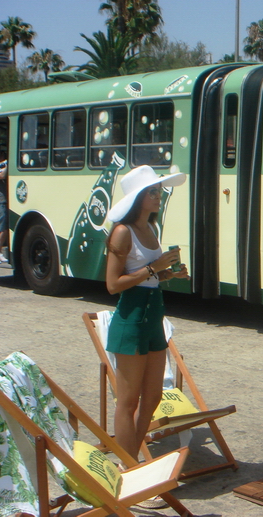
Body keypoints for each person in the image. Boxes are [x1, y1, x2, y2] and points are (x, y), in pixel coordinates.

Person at [104, 165, 188, 471]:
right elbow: (113, 285)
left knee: (152, 398)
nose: (159, 197)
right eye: (153, 192)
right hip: (131, 317)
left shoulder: (150, 228)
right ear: (139, 197)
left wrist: (170, 273)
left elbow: (149, 277)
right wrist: (154, 269)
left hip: (153, 314)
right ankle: (130, 468)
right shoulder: (123, 232)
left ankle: (132, 461)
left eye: (160, 191)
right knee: (127, 402)